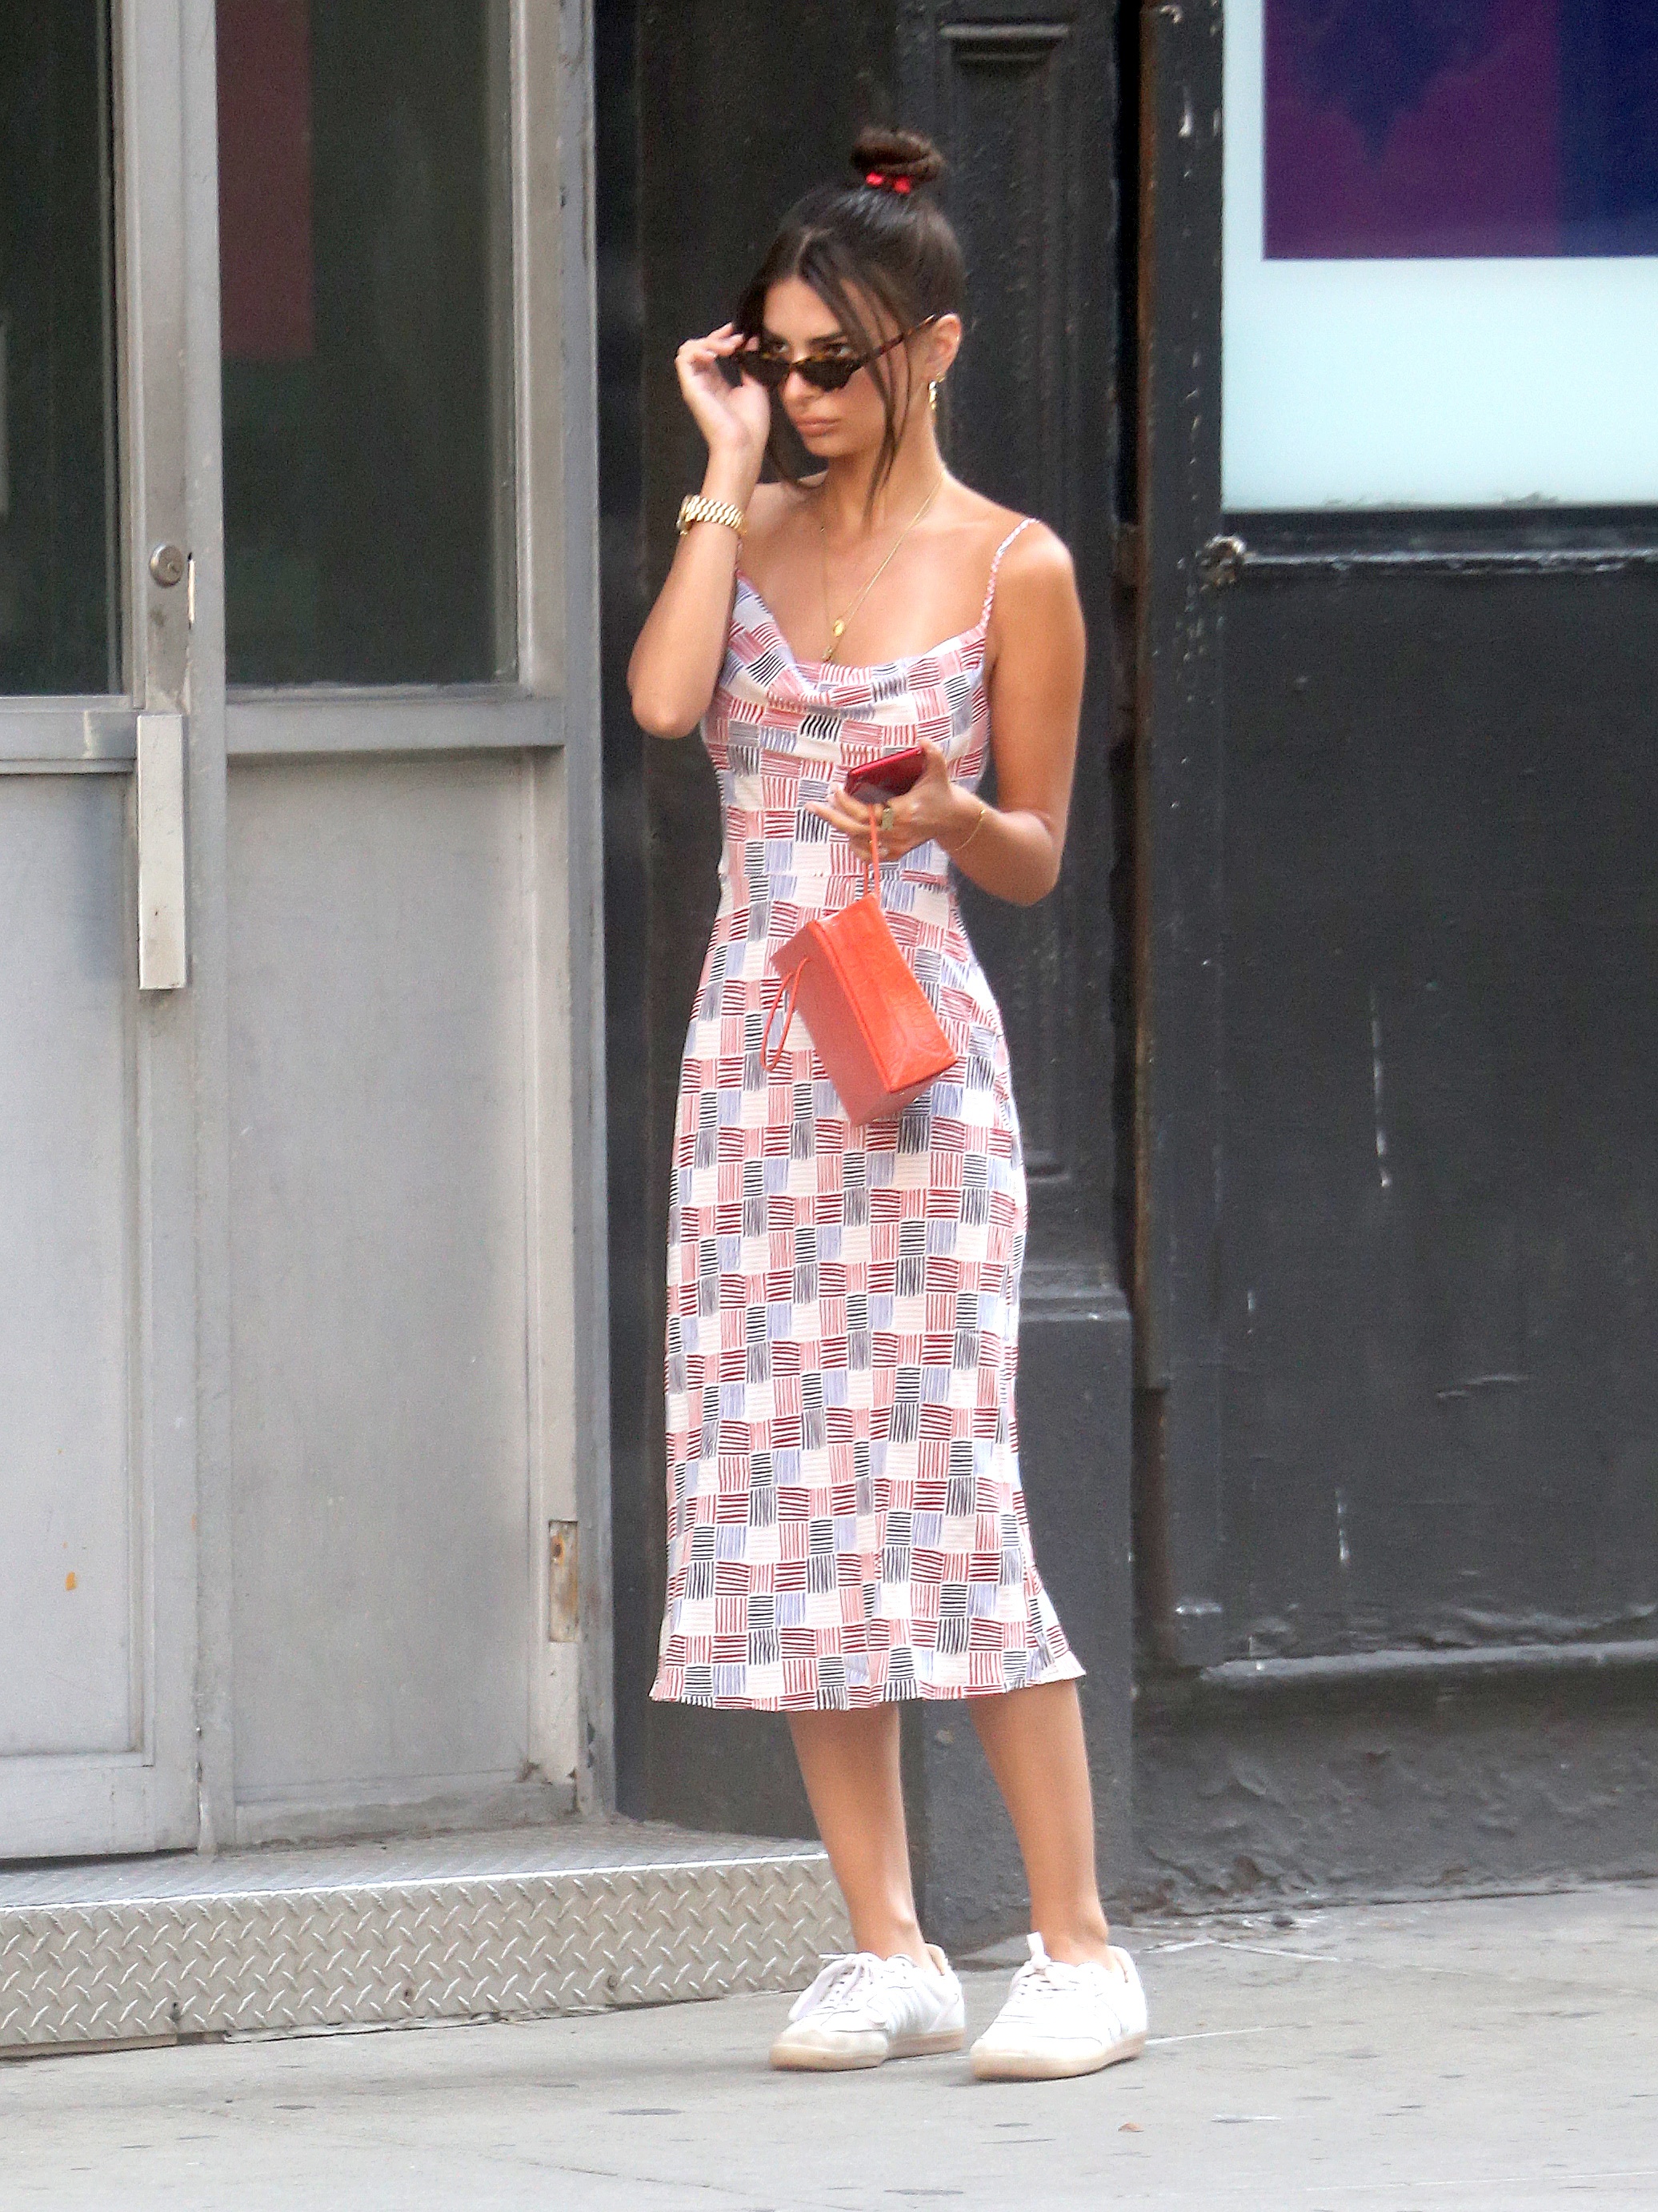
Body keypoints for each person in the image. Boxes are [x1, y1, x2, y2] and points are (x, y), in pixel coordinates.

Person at [628, 125, 1147, 2083]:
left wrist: (941, 811)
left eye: (830, 365)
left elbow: (1031, 855)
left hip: (914, 1064)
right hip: (755, 1060)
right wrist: (722, 468)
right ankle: (887, 1938)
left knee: (945, 1484)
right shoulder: (742, 531)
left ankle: (1080, 1945)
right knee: (776, 1494)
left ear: (930, 348)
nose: (801, 396)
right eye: (769, 359)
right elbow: (674, 706)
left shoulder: (1013, 564)